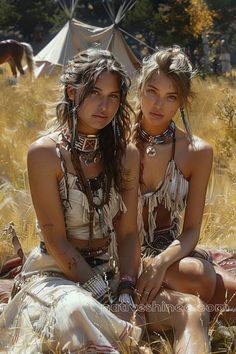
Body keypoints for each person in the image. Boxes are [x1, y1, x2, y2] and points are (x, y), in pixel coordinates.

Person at [0, 49, 142, 353]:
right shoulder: (44, 153)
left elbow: (129, 232)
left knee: (178, 309)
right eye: (93, 93)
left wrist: (126, 291)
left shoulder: (126, 155)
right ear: (71, 91)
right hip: (53, 274)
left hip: (109, 273)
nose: (105, 106)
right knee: (76, 310)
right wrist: (102, 295)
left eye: (113, 96)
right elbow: (55, 241)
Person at [132, 46, 236, 352]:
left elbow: (191, 230)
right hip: (122, 255)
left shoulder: (197, 151)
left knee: (201, 278)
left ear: (182, 101)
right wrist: (139, 265)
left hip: (173, 255)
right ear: (140, 88)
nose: (157, 104)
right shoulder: (118, 140)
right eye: (151, 91)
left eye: (170, 96)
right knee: (211, 289)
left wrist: (161, 264)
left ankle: (164, 297)